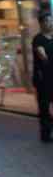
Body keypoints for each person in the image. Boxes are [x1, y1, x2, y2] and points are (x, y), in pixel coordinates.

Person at [33, 12, 53, 142]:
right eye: (47, 21)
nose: (50, 23)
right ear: (41, 23)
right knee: (44, 106)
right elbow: (43, 56)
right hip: (43, 78)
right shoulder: (38, 39)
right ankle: (45, 134)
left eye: (51, 21)